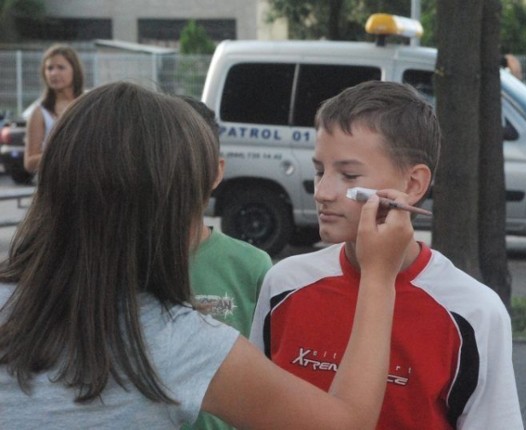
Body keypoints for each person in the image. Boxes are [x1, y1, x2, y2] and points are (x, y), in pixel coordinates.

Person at [0, 81, 414, 428]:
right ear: (165, 207)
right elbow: (347, 423)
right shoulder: (173, 339)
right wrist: (378, 276)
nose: (325, 190)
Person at [250, 80, 524, 429]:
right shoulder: (284, 283)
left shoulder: (473, 310)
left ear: (412, 185)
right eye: (320, 170)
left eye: (349, 175)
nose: (322, 191)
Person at [177, 97, 273, 430]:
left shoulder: (253, 267)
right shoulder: (114, 266)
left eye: (190, 159)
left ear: (217, 170)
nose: (175, 172)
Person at [24, 43, 84, 174]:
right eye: (49, 68)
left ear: (75, 69)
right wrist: (64, 154)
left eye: (61, 67)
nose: (54, 73)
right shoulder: (40, 111)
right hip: (55, 185)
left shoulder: (88, 103)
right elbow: (30, 163)